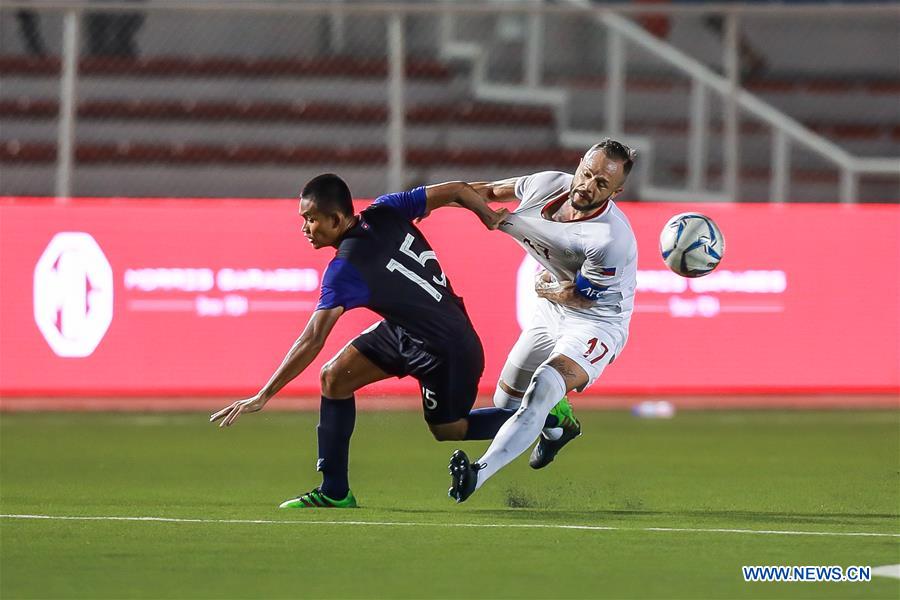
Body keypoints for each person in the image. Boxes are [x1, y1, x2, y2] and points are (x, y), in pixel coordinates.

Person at [210, 174, 568, 509]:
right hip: (405, 330)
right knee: (334, 378)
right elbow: (458, 189)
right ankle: (335, 492)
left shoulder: (345, 269)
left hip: (448, 348)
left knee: (450, 430)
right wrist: (486, 215)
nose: (305, 228)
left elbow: (313, 338)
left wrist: (264, 395)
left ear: (336, 219)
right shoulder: (386, 209)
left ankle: (547, 415)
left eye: (311, 219)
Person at [447, 139, 638, 503]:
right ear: (580, 163)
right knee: (505, 402)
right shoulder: (547, 184)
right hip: (550, 310)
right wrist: (434, 203)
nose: (588, 186)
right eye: (588, 174)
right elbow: (488, 190)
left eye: (602, 184)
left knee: (542, 388)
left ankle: (477, 473)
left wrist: (547, 289)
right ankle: (557, 424)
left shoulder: (610, 239)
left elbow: (581, 296)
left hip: (596, 322)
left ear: (617, 191)